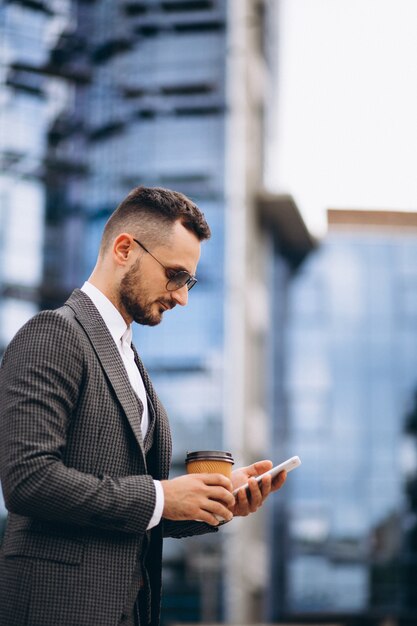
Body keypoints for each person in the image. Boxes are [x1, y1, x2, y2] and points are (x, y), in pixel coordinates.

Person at [0, 186, 287, 626]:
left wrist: (213, 501)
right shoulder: (54, 334)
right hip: (56, 609)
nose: (182, 296)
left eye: (188, 281)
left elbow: (134, 510)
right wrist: (161, 494)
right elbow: (29, 480)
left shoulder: (129, 358)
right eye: (175, 275)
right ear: (124, 249)